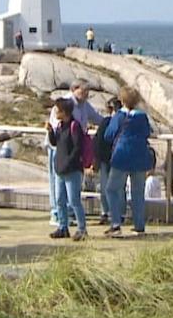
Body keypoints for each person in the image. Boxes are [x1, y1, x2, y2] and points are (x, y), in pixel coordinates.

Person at [45, 79, 103, 226]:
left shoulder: (84, 105)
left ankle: (71, 218)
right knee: (56, 185)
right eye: (83, 91)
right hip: (59, 150)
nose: (86, 95)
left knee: (72, 192)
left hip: (73, 153)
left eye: (87, 92)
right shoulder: (64, 104)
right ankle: (57, 214)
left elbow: (96, 118)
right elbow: (56, 127)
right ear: (74, 89)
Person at [103, 87, 153, 237]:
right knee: (138, 192)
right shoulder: (142, 117)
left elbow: (109, 135)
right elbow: (147, 132)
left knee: (112, 189)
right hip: (140, 156)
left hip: (122, 156)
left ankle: (116, 223)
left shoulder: (119, 116)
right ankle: (139, 226)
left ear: (122, 100)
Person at [46, 98, 89, 241]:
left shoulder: (74, 126)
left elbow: (77, 147)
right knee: (59, 199)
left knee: (74, 200)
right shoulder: (60, 126)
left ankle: (82, 229)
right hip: (60, 170)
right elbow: (55, 143)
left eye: (57, 110)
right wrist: (51, 131)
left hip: (72, 170)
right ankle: (63, 227)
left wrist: (68, 162)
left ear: (64, 112)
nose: (55, 112)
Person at [93, 97, 123, 226]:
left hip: (107, 158)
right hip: (117, 158)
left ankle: (106, 212)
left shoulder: (107, 122)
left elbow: (98, 141)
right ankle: (118, 213)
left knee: (106, 187)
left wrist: (96, 159)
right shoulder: (125, 121)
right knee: (118, 188)